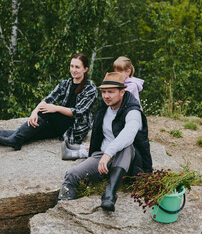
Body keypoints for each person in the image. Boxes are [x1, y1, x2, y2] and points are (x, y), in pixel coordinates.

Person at [57, 72, 152, 212]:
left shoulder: (132, 110)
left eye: (111, 92)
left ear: (122, 92)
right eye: (104, 92)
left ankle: (110, 194)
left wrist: (108, 153)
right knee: (72, 174)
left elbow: (129, 133)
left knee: (126, 145)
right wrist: (98, 152)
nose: (106, 96)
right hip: (102, 157)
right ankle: (60, 207)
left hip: (129, 162)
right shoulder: (104, 106)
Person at [0, 53, 97, 150]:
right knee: (30, 132)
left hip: (75, 127)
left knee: (46, 112)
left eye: (77, 67)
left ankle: (15, 140)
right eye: (71, 66)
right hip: (59, 125)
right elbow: (48, 99)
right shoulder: (66, 84)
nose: (73, 70)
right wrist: (34, 111)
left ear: (85, 69)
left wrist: (55, 108)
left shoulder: (91, 88)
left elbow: (79, 112)